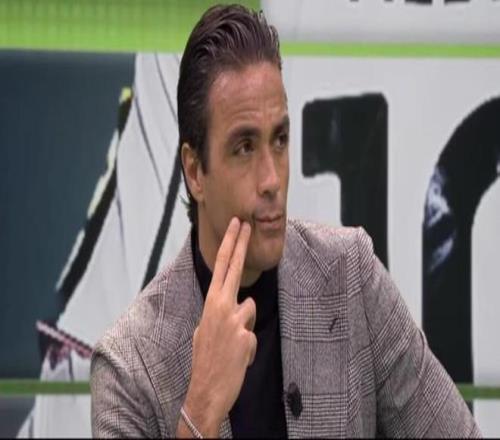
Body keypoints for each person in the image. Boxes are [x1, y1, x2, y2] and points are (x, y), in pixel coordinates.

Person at [90, 4, 481, 438]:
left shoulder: (351, 279)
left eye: (279, 140)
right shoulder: (127, 369)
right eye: (244, 147)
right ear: (196, 171)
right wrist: (200, 410)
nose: (272, 179)